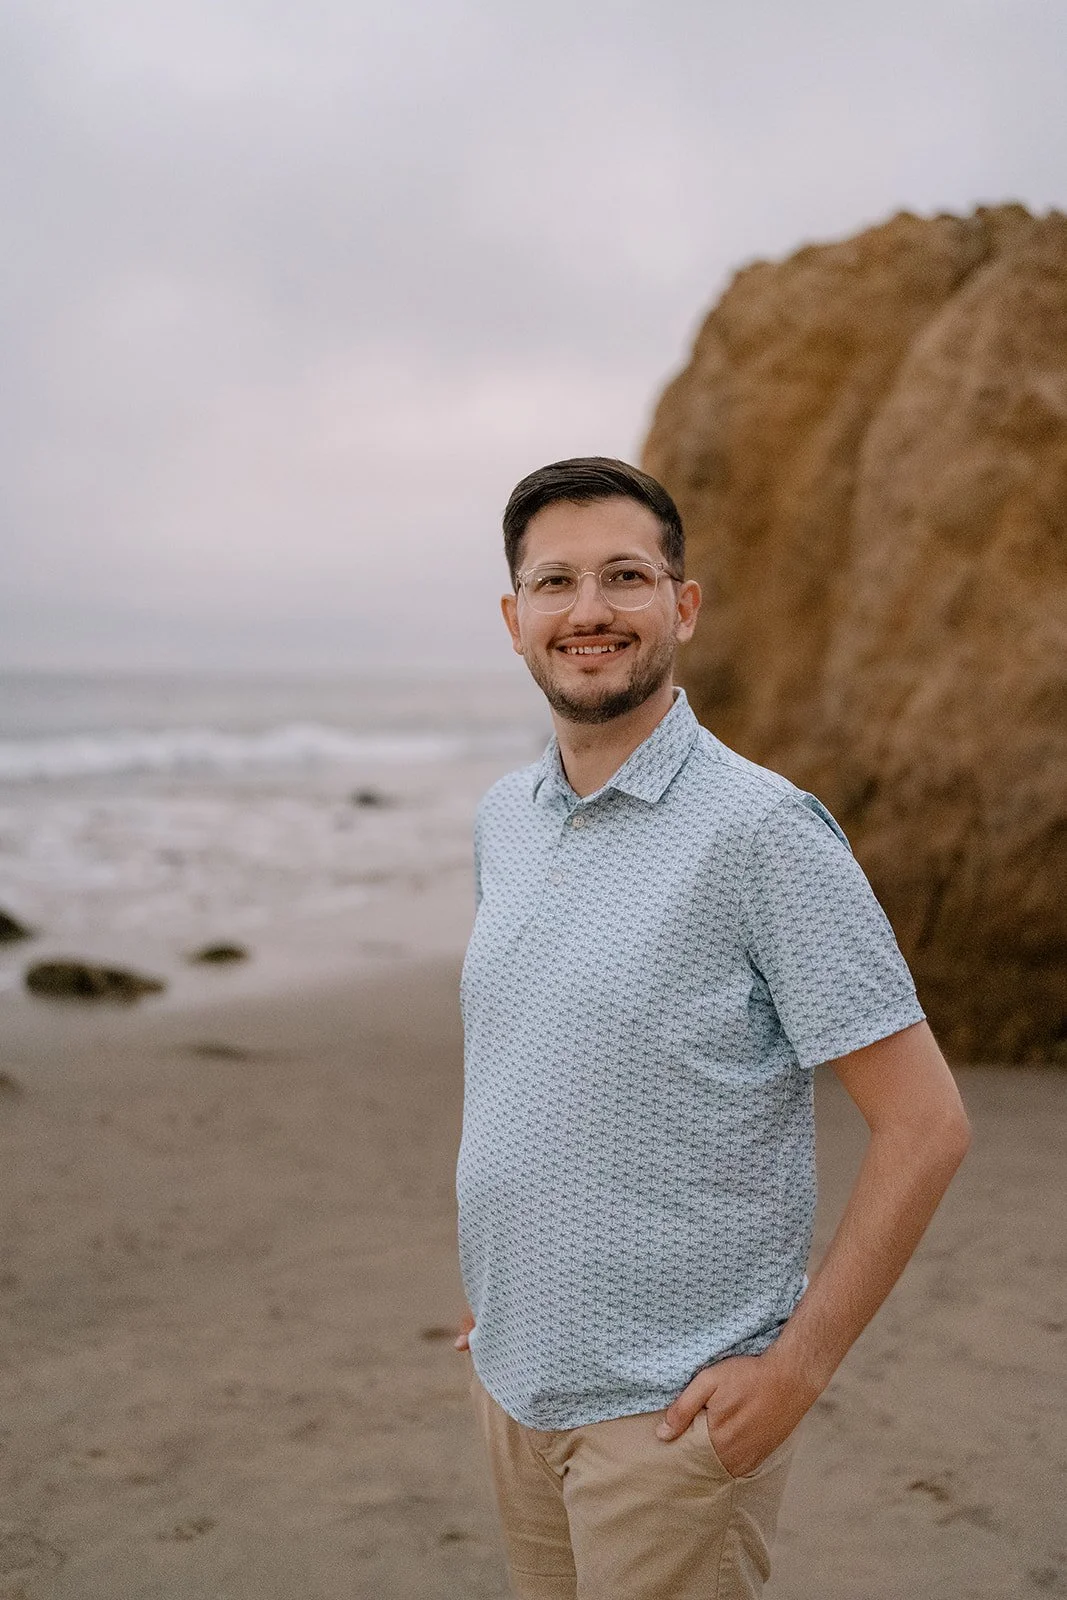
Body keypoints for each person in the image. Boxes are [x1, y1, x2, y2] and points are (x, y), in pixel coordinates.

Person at [454, 456, 970, 1600]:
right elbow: (532, 1062)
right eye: (555, 582)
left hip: (670, 1416)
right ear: (514, 618)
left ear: (681, 607)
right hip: (510, 1380)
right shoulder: (506, 819)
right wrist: (508, 1292)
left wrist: (797, 1369)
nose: (588, 610)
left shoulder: (761, 833)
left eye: (624, 577)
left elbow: (925, 1126)